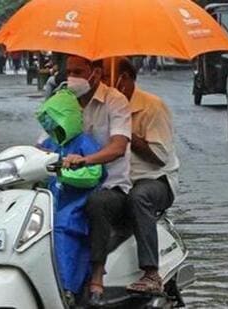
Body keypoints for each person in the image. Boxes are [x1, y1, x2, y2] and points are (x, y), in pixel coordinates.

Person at [61, 55, 132, 303]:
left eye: (78, 71)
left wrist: (85, 160)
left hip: (111, 186)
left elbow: (118, 147)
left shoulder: (116, 101)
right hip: (70, 184)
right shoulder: (62, 101)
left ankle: (97, 275)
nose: (72, 78)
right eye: (69, 71)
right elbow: (44, 142)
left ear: (96, 73)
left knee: (97, 203)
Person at [110, 58, 180, 294]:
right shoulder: (101, 106)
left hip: (155, 179)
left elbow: (159, 156)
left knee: (139, 198)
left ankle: (151, 273)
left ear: (125, 79)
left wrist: (124, 131)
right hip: (116, 179)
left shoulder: (152, 107)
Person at [37, 89, 105, 305]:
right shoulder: (50, 143)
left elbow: (94, 174)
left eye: (56, 120)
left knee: (61, 228)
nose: (52, 126)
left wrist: (64, 171)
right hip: (50, 201)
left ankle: (66, 287)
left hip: (76, 205)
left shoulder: (85, 143)